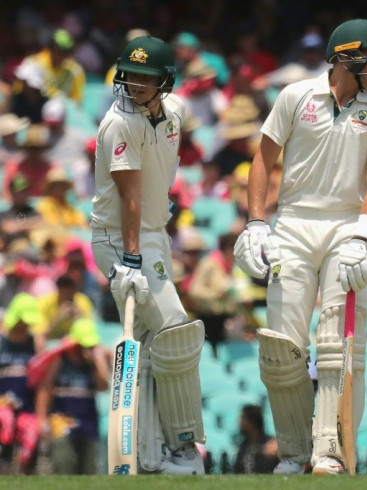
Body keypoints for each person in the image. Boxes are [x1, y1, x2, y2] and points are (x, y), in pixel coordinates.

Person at [232, 19, 367, 475]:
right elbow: (263, 161)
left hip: (347, 226)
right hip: (292, 224)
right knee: (282, 347)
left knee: (339, 345)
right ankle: (292, 451)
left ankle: (329, 450)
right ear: (346, 57)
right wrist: (255, 224)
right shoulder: (295, 96)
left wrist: (364, 235)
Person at [90, 35, 206, 474]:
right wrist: (131, 259)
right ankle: (183, 449)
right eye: (130, 75)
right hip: (119, 238)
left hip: (154, 231)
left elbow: (161, 172)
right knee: (175, 327)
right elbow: (129, 198)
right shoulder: (119, 123)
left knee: (152, 344)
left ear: (165, 81)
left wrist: (166, 200)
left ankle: (148, 454)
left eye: (146, 77)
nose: (135, 84)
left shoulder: (173, 113)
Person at [35, 318, 107, 475]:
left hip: (88, 422)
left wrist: (97, 363)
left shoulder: (93, 362)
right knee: (64, 463)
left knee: (89, 468)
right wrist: (42, 418)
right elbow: (45, 389)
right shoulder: (60, 360)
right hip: (62, 421)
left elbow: (103, 387)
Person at [0, 294, 43, 474]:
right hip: (3, 405)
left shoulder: (35, 343)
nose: (26, 325)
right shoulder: (1, 342)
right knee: (5, 424)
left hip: (28, 406)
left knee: (30, 441)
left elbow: (41, 380)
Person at [233, 404, 279, 474]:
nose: (239, 422)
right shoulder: (243, 447)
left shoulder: (271, 446)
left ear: (251, 423)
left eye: (243, 418)